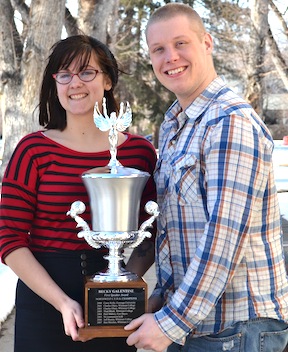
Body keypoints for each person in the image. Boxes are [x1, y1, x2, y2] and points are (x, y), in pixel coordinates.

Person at [125, 3, 288, 352]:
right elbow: (176, 227)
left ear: (207, 43)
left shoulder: (229, 123)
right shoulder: (175, 124)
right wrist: (160, 298)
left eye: (181, 43)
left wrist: (171, 322)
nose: (170, 57)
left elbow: (223, 240)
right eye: (159, 49)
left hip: (236, 329)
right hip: (199, 323)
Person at [0, 34, 157, 352]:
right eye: (64, 74)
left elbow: (151, 232)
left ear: (108, 80)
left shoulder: (139, 153)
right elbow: (8, 237)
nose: (75, 83)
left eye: (87, 72)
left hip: (113, 307)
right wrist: (62, 302)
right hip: (44, 303)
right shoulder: (33, 150)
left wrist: (123, 288)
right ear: (54, 82)